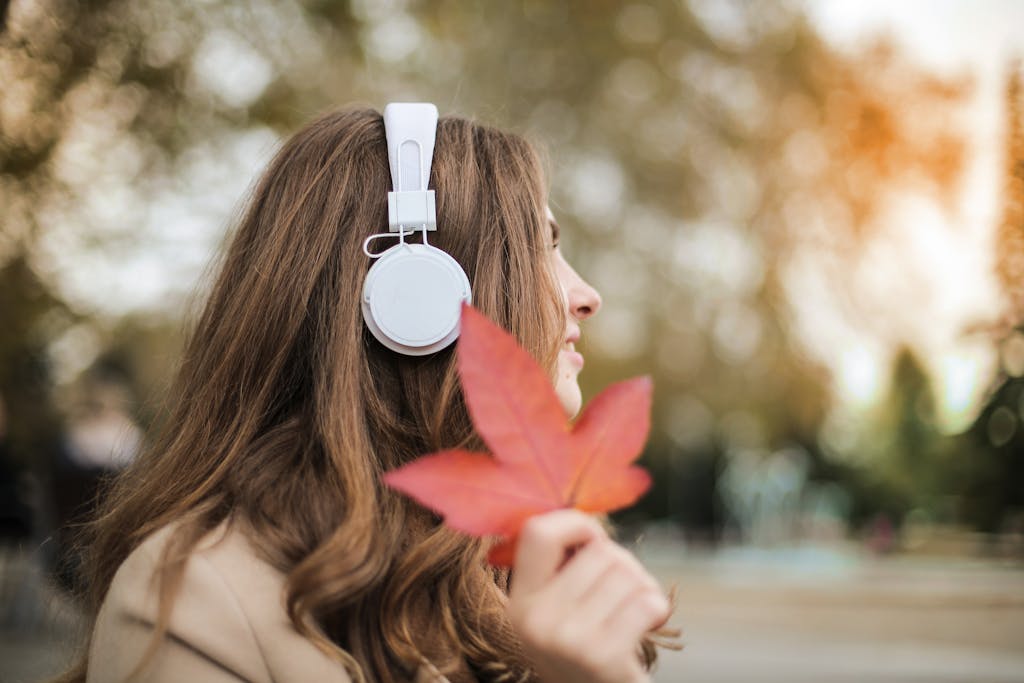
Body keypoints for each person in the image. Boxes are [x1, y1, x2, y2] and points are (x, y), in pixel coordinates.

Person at [59, 106, 677, 683]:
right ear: (420, 298)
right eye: (539, 247)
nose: (587, 293)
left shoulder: (527, 559)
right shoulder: (195, 597)